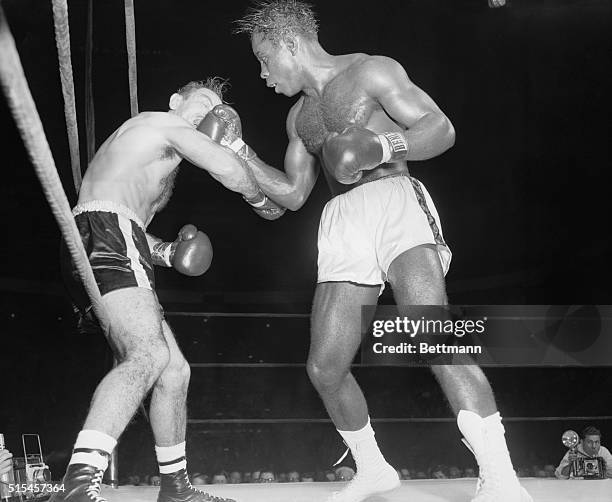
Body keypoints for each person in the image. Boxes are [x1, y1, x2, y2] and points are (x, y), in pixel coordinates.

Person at [226, 2, 533, 501]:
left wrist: (381, 147)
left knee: (433, 337)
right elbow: (290, 198)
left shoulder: (370, 70)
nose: (262, 75)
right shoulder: (298, 117)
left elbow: (440, 129)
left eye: (264, 59)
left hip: (394, 197)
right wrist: (239, 155)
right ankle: (372, 469)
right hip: (342, 219)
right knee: (325, 367)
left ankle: (500, 476)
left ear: (289, 43)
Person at [54, 78, 277, 502]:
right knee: (148, 355)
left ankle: (175, 488)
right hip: (103, 232)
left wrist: (171, 253)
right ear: (176, 100)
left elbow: (133, 232)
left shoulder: (156, 165)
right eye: (204, 102)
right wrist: (262, 200)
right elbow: (228, 171)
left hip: (114, 237)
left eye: (218, 107)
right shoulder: (159, 122)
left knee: (174, 372)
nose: (211, 112)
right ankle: (78, 486)